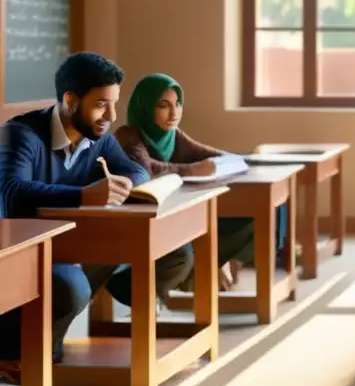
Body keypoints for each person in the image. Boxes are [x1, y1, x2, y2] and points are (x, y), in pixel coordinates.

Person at [0, 52, 193, 377]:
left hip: (76, 242)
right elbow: (12, 194)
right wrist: (83, 196)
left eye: (114, 104)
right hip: (27, 253)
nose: (111, 115)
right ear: (71, 100)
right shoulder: (22, 135)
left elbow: (134, 169)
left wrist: (131, 183)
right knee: (70, 286)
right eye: (102, 104)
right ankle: (17, 350)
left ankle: (50, 340)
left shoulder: (98, 138)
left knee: (175, 252)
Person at [115, 73, 286, 289]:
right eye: (163, 105)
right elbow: (145, 169)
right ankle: (177, 279)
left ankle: (210, 267)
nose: (174, 112)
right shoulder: (128, 136)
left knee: (254, 218)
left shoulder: (172, 135)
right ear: (145, 106)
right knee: (197, 236)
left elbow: (207, 154)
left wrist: (239, 160)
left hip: (175, 215)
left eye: (177, 104)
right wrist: (192, 170)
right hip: (140, 224)